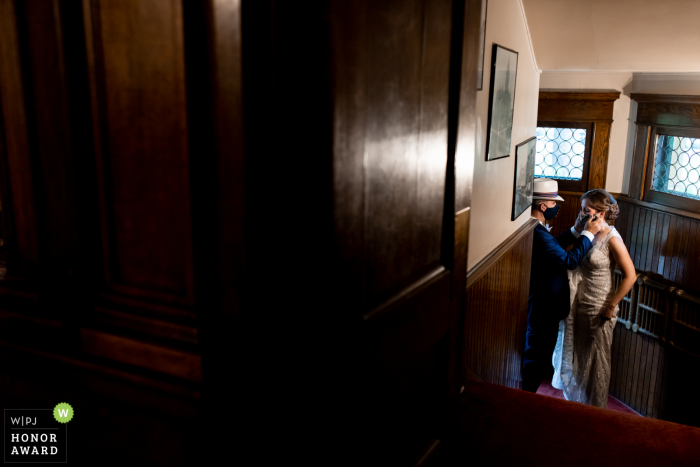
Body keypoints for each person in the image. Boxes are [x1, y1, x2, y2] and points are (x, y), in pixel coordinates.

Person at [552, 189, 636, 407]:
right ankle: (577, 404)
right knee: (578, 357)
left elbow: (630, 276)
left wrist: (611, 305)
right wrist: (580, 230)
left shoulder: (612, 238)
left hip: (599, 306)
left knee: (596, 360)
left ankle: (596, 410)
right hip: (578, 302)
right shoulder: (586, 232)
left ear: (601, 212)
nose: (581, 212)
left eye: (586, 209)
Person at [522, 178, 604, 393]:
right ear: (542, 206)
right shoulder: (537, 232)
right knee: (536, 357)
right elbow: (568, 260)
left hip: (545, 304)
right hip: (544, 306)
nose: (556, 208)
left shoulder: (536, 226)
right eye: (553, 205)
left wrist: (576, 230)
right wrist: (588, 233)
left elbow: (554, 247)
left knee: (538, 354)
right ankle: (525, 397)